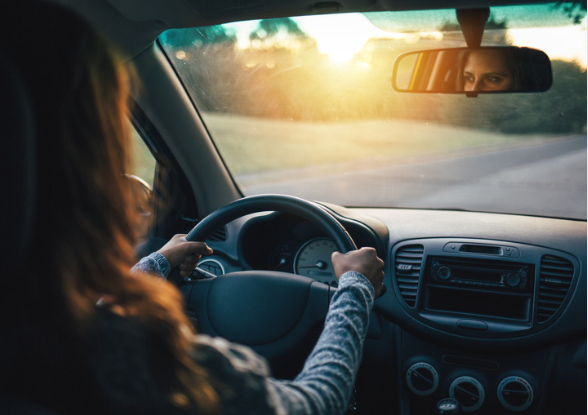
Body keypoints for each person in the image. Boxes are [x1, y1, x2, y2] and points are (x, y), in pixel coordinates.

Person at [2, 2, 385, 415]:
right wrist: (356, 289)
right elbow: (316, 403)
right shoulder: (140, 365)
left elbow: (92, 309)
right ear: (87, 178)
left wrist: (157, 262)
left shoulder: (35, 339)